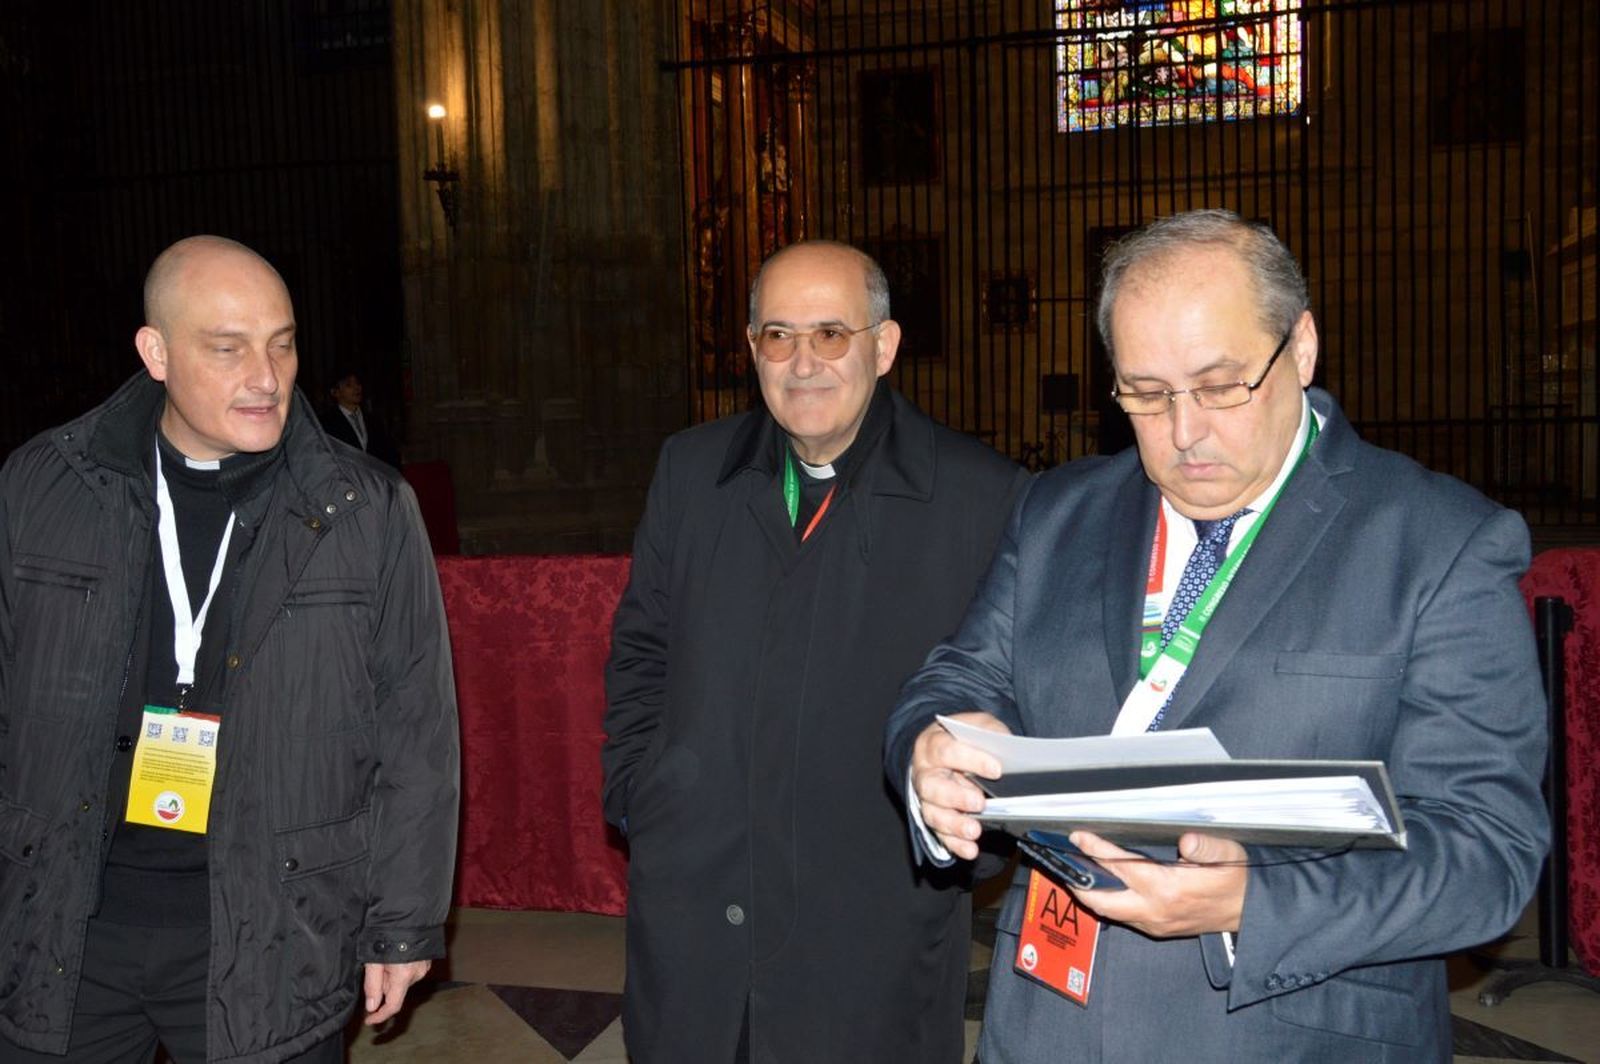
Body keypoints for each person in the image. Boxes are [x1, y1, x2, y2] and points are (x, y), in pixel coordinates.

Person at [885, 209, 1549, 1062]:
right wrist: (927, 757)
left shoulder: (1437, 542)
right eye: (1147, 394)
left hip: (1286, 1038)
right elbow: (955, 683)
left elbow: (1485, 856)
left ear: (1300, 349)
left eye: (1220, 385)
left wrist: (1250, 904)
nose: (1185, 431)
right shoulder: (1060, 512)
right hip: (1046, 1025)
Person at [0, 236, 459, 1062]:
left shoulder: (364, 509)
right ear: (156, 353)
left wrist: (402, 922)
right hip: (66, 929)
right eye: (228, 348)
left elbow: (415, 730)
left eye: (281, 343)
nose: (266, 375)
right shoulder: (43, 487)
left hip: (274, 930)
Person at [602, 240, 1028, 1063]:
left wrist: (962, 853)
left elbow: (1010, 703)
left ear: (885, 345)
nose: (803, 362)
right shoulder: (690, 472)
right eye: (778, 335)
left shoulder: (980, 496)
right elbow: (641, 653)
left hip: (868, 931)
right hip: (696, 904)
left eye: (832, 334)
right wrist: (640, 796)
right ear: (752, 346)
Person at [318, 369, 401, 469]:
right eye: (349, 385)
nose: (356, 388)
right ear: (335, 392)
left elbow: (389, 453)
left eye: (357, 383)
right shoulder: (326, 423)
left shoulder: (374, 421)